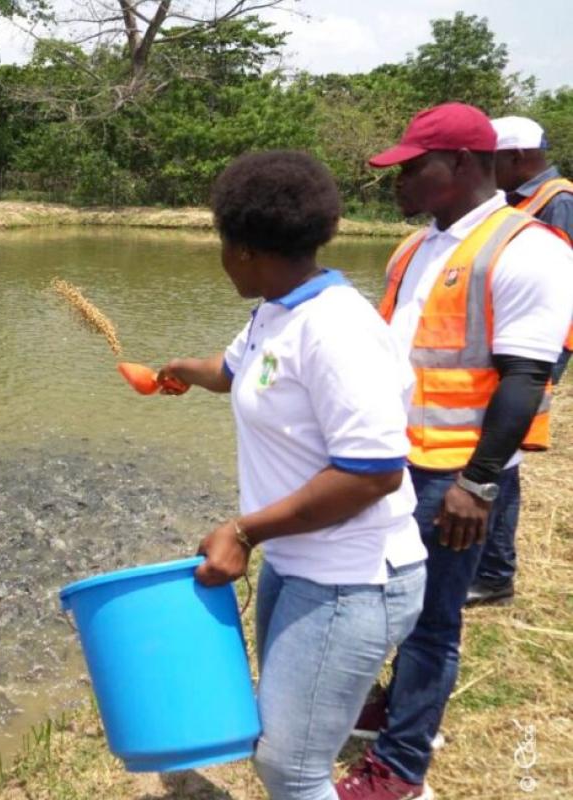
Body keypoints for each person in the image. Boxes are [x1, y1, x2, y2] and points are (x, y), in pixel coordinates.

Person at [157, 150, 427, 800]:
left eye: (222, 243)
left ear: (245, 248)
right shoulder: (276, 309)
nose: (220, 258)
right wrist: (179, 372)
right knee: (281, 740)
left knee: (291, 766)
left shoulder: (335, 329)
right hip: (298, 561)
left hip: (353, 578)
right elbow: (237, 370)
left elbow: (372, 472)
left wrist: (245, 531)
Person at [337, 103, 573, 800]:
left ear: (464, 165)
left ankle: (403, 766)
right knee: (391, 599)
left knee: (436, 619)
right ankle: (391, 705)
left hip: (454, 474)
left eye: (414, 168)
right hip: (395, 463)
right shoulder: (416, 246)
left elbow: (526, 378)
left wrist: (481, 482)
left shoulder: (527, 248)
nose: (399, 182)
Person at [466, 115, 573, 607]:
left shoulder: (558, 204)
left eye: (491, 162)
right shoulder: (523, 201)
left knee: (503, 454)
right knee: (496, 451)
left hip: (535, 353)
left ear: (516, 158)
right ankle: (487, 562)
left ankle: (495, 573)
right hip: (514, 349)